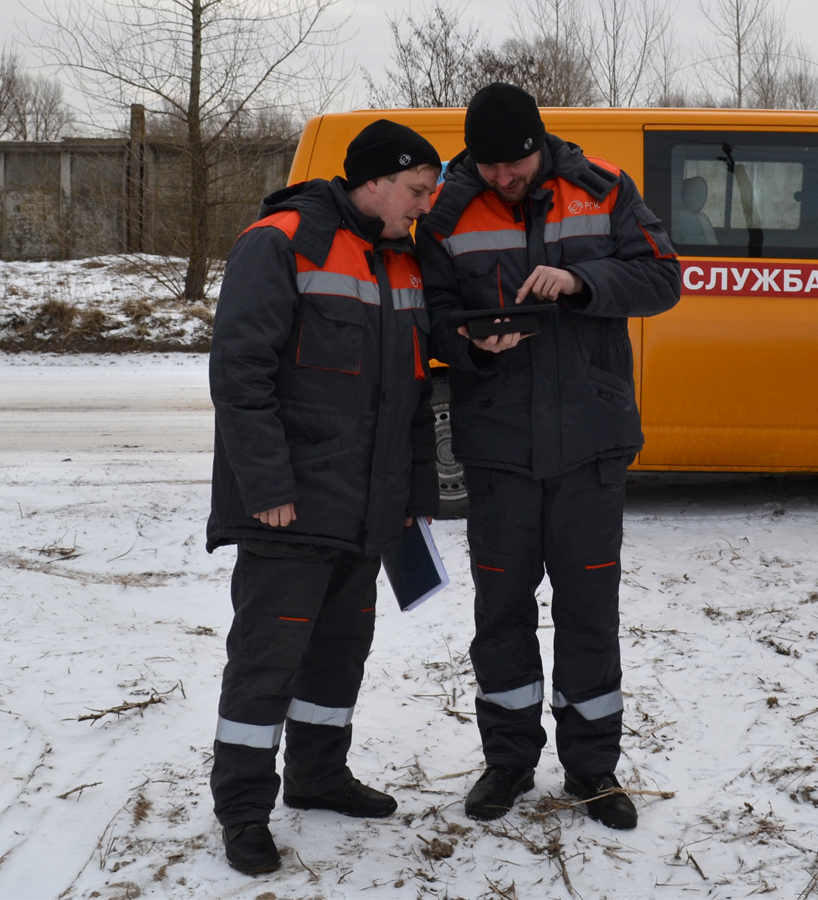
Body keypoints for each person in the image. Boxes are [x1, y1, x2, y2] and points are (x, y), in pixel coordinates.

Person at [416, 82, 681, 831]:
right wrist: (466, 340)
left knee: (589, 611)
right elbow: (425, 316)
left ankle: (593, 769)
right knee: (500, 613)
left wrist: (582, 280)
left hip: (590, 446)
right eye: (489, 166)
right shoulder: (446, 211)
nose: (503, 178)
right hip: (498, 448)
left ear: (540, 142)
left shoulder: (603, 187)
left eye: (516, 163)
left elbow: (665, 278)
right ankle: (507, 763)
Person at [205, 119, 442, 875]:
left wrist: (410, 494)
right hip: (291, 507)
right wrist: (265, 486)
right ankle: (244, 809)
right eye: (415, 190)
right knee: (267, 661)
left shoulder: (403, 262)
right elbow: (240, 376)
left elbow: (407, 394)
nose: (423, 205)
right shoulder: (280, 241)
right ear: (373, 181)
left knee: (340, 655)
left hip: (366, 508)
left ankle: (317, 775)